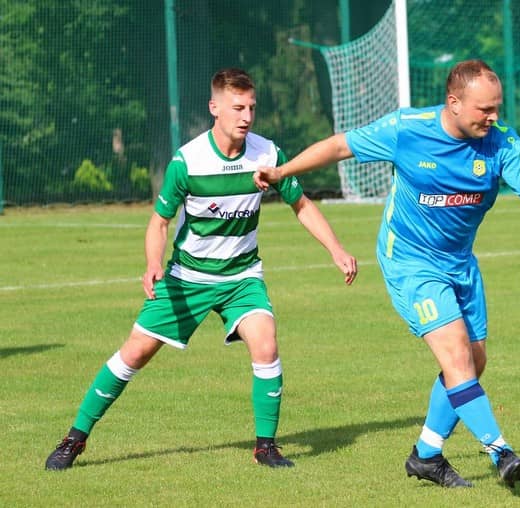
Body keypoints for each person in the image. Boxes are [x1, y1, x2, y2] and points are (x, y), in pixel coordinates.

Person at [254, 60, 520, 488]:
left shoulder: (501, 142)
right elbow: (340, 146)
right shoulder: (407, 129)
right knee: (456, 355)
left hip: (460, 262)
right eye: (484, 109)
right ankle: (501, 451)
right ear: (454, 103)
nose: (493, 117)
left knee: (474, 361)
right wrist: (282, 172)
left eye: (497, 107)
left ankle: (427, 456)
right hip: (409, 260)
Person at [44, 68, 358, 471]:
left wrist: (336, 249)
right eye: (237, 108)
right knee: (134, 353)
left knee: (266, 344)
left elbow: (302, 204)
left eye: (252, 108)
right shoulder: (188, 162)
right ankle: (74, 439)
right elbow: (159, 221)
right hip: (187, 278)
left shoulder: (267, 154)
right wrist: (153, 264)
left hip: (242, 278)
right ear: (214, 108)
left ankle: (265, 447)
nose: (246, 116)